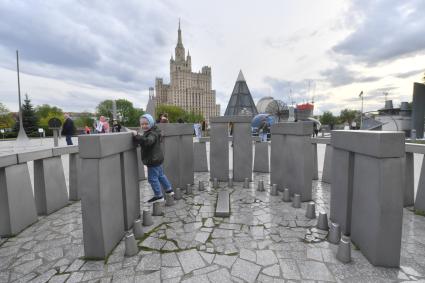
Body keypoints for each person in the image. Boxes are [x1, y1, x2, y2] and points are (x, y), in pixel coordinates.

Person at [133, 114, 174, 203]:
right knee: (160, 175)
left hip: (153, 160)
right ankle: (169, 190)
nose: (144, 126)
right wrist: (141, 136)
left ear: (151, 123)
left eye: (146, 124)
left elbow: (148, 142)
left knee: (152, 178)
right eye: (142, 124)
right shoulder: (154, 131)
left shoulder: (151, 133)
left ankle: (159, 196)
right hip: (157, 158)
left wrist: (137, 136)